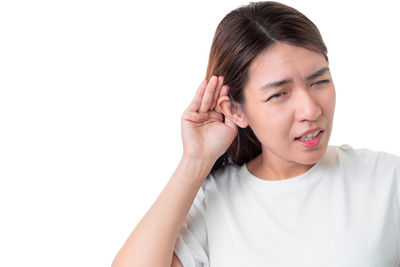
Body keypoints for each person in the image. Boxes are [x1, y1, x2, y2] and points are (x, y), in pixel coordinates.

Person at [112, 1, 400, 266]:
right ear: (237, 111)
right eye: (279, 94)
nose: (310, 110)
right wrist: (194, 163)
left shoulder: (388, 180)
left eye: (319, 81)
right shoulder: (216, 202)